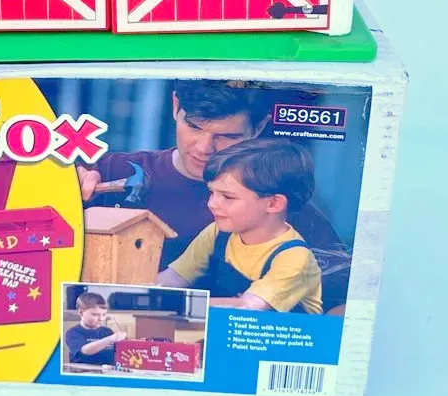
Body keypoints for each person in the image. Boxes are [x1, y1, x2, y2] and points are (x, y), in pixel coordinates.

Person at [77, 79, 350, 312]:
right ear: (175, 106)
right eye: (194, 127)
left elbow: (342, 309)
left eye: (227, 136)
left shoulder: (291, 214)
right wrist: (62, 187)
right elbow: (171, 278)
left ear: (258, 128)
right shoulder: (109, 172)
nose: (204, 148)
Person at [157, 139, 323, 313]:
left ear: (274, 203)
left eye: (228, 197)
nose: (211, 204)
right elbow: (175, 277)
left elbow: (248, 307)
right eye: (212, 192)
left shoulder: (295, 258)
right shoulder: (217, 232)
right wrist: (141, 295)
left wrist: (172, 304)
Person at [64, 292, 126, 366]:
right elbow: (85, 350)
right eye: (95, 315)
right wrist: (110, 339)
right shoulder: (73, 333)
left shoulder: (107, 332)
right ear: (81, 312)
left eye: (104, 314)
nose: (101, 319)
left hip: (107, 370)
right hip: (83, 371)